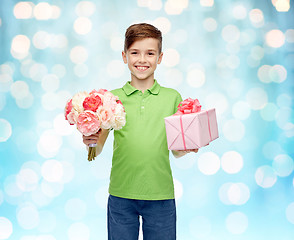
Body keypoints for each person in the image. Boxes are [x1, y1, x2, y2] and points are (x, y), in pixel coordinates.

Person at [83, 23, 198, 240]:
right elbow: (98, 148)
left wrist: (188, 147)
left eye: (150, 53)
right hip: (121, 195)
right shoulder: (111, 99)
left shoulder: (172, 97)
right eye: (135, 52)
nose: (142, 60)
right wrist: (90, 141)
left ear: (160, 57)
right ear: (124, 56)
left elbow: (176, 150)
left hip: (160, 195)